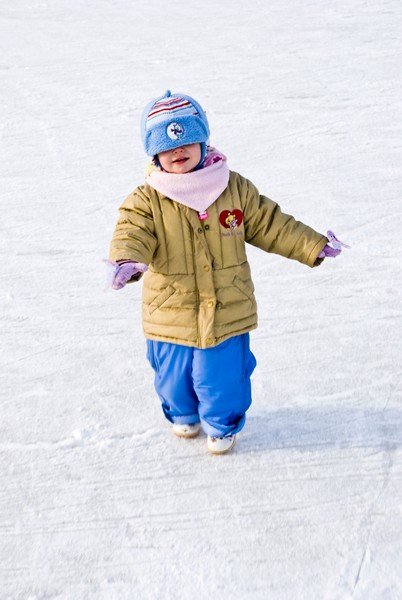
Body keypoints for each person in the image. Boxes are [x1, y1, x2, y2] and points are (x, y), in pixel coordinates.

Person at [108, 90, 344, 455]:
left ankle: (222, 422)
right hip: (170, 310)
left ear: (203, 140)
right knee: (173, 378)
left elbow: (271, 224)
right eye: (168, 148)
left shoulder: (233, 188)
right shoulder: (146, 200)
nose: (178, 151)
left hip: (226, 307)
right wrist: (126, 260)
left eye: (187, 141)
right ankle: (182, 413)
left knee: (222, 377)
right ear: (154, 154)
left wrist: (310, 244)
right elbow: (131, 232)